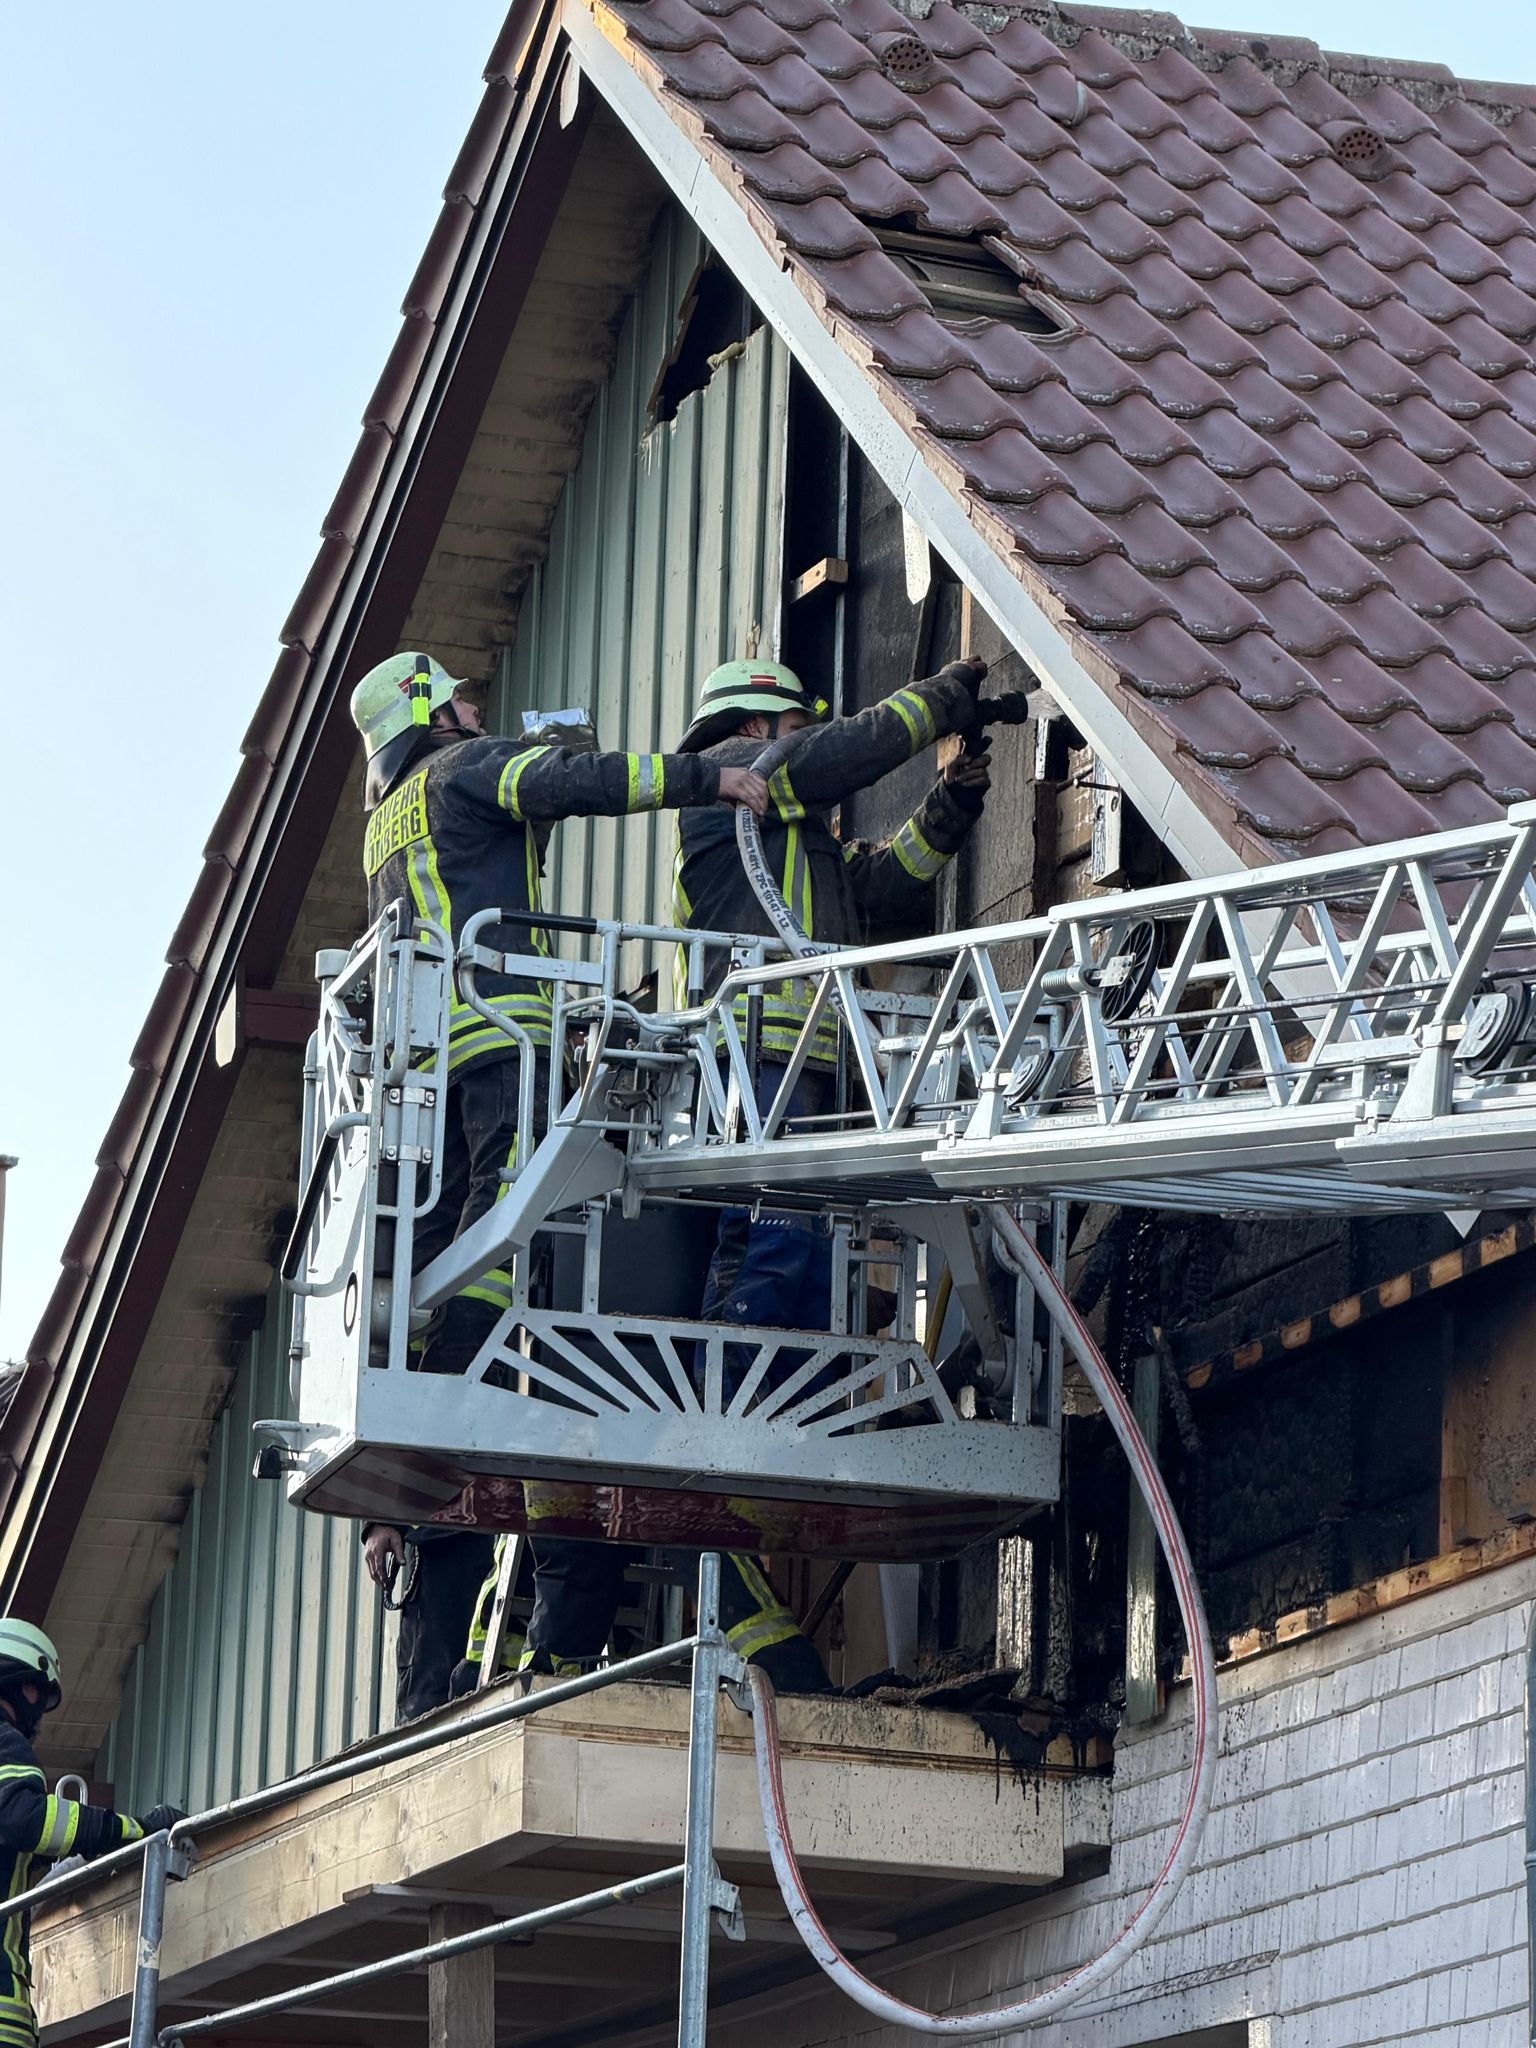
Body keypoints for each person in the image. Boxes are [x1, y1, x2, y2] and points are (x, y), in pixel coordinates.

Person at [350, 650, 767, 1719]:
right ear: (428, 711)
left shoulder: (384, 823)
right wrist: (709, 778)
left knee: (445, 1252)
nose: (475, 705)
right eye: (459, 697)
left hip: (432, 1069)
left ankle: (429, 1419)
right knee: (497, 1242)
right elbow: (581, 785)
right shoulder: (462, 769)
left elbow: (484, 863)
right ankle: (457, 1402)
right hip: (503, 1045)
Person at [673, 653, 1019, 1340]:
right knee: (773, 1243)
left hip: (814, 1063)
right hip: (758, 1055)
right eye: (796, 727)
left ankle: (790, 1395)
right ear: (754, 727)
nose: (805, 740)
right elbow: (843, 754)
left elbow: (886, 884)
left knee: (818, 1266)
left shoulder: (792, 840)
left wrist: (949, 803)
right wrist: (940, 700)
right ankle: (738, 1389)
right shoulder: (727, 783)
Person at [0, 1620, 183, 2048]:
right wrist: (133, 1831)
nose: (38, 1710)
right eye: (36, 1691)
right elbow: (23, 1818)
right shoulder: (5, 1742)